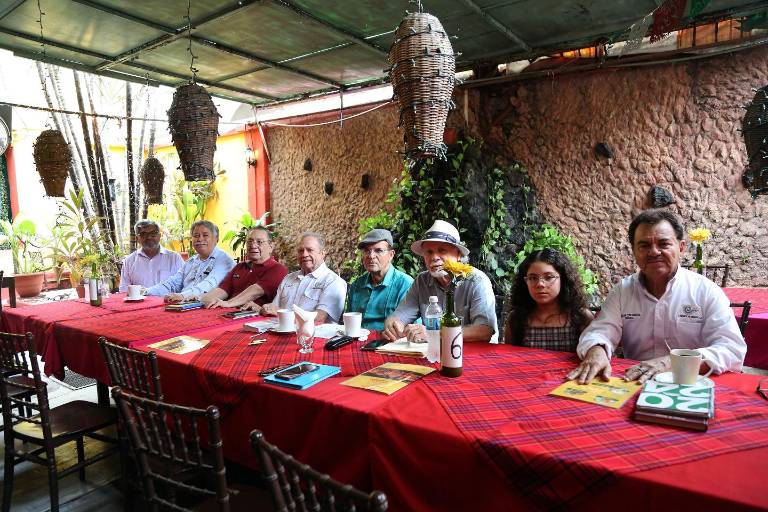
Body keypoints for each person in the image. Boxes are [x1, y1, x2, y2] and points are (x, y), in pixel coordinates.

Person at [569, 208, 746, 385]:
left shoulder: (705, 291)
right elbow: (601, 331)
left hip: (690, 382)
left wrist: (673, 362)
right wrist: (596, 349)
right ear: (634, 251)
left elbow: (731, 349)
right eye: (644, 245)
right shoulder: (622, 291)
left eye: (663, 244)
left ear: (681, 247)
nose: (654, 252)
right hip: (634, 381)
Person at [383, 220, 497, 343]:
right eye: (429, 252)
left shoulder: (476, 280)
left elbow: (484, 331)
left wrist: (435, 334)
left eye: (442, 250)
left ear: (458, 255)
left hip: (476, 355)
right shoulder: (422, 281)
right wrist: (393, 325)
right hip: (433, 353)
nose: (434, 257)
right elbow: (399, 316)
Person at [504, 248, 593, 351]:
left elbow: (594, 358)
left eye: (549, 277)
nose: (540, 284)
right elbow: (510, 357)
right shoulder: (516, 319)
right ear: (525, 282)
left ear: (563, 279)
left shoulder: (581, 318)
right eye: (533, 278)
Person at [249, 232, 346, 324]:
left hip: (314, 337)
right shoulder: (288, 279)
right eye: (300, 251)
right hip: (279, 331)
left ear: (322, 253)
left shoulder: (333, 282)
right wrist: (262, 309)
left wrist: (280, 312)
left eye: (310, 250)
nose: (304, 254)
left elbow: (320, 318)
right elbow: (274, 308)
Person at [146, 220, 235, 303]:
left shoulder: (223, 260)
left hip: (206, 306)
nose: (200, 239)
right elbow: (173, 283)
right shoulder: (191, 261)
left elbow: (210, 284)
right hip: (183, 304)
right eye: (196, 236)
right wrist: (146, 291)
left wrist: (182, 296)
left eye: (205, 235)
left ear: (216, 239)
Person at [199, 226, 288, 309]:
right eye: (250, 241)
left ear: (271, 246)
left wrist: (227, 304)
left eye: (259, 242)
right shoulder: (240, 266)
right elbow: (223, 290)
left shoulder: (278, 269)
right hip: (227, 311)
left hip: (252, 317)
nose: (253, 246)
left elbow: (255, 291)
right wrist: (200, 299)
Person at [346, 229, 413, 331]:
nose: (371, 256)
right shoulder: (357, 285)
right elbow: (348, 321)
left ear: (391, 255)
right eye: (367, 251)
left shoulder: (405, 285)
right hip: (356, 342)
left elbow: (411, 329)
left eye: (379, 250)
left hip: (389, 344)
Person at [119, 220, 183, 291]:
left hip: (169, 301)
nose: (149, 237)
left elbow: (184, 284)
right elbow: (124, 290)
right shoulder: (129, 261)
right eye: (143, 234)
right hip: (140, 302)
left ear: (160, 236)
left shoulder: (175, 258)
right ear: (137, 238)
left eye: (153, 233)